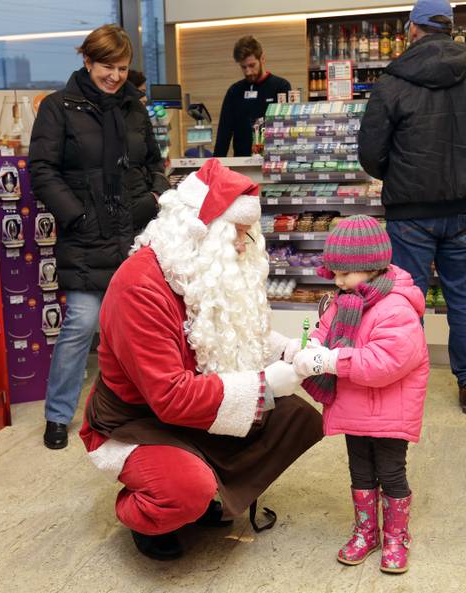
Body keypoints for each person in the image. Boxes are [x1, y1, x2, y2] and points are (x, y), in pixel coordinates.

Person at [79, 158, 323, 560]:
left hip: (191, 405)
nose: (244, 245)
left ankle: (214, 492)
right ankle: (143, 513)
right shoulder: (140, 287)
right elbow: (170, 397)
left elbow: (234, 334)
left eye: (248, 235)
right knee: (184, 489)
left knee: (295, 418)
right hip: (137, 419)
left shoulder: (198, 269)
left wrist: (291, 353)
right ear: (200, 230)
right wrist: (264, 386)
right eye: (237, 234)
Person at [358, 0, 466, 415]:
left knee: (406, 299)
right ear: (450, 27)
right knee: (464, 296)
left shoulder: (392, 81)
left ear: (413, 29)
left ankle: (407, 379)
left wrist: (402, 172)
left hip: (410, 213)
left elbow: (370, 153)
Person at [29, 24, 168, 450]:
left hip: (136, 233)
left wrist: (155, 196)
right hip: (87, 235)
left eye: (123, 68)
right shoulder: (58, 107)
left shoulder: (133, 108)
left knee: (137, 328)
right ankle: (58, 415)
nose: (115, 75)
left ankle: (132, 409)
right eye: (108, 66)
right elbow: (42, 171)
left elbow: (153, 162)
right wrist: (78, 216)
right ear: (87, 60)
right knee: (81, 325)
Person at [289, 215, 428, 574]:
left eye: (342, 274)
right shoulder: (344, 300)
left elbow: (386, 363)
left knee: (391, 472)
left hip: (389, 412)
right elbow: (324, 330)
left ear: (369, 267)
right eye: (333, 273)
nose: (336, 282)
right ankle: (366, 531)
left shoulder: (396, 307)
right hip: (354, 408)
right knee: (360, 471)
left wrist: (331, 360)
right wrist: (310, 350)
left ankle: (397, 536)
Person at [213, 36, 291, 157]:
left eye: (251, 65)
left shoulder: (281, 87)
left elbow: (288, 128)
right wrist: (215, 165)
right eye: (243, 67)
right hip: (241, 163)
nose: (248, 72)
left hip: (273, 160)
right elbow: (224, 132)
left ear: (262, 59)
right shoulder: (234, 91)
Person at [119, 68, 170, 232]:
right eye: (140, 92)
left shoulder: (139, 114)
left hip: (143, 206)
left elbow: (154, 159)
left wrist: (156, 195)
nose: (145, 98)